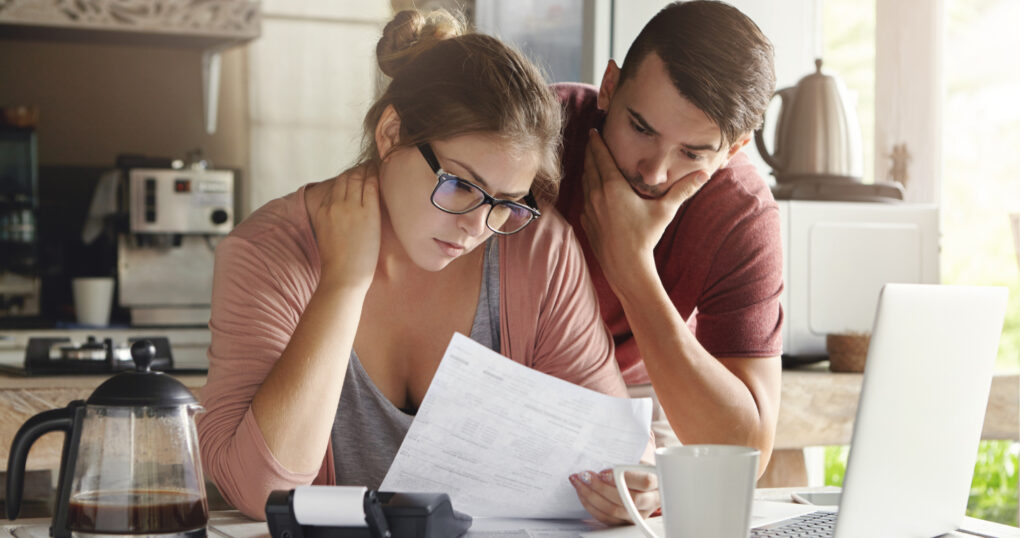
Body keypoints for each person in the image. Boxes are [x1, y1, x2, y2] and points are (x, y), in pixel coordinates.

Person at [197, 8, 655, 525]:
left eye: (505, 201)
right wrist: (344, 283)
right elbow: (262, 490)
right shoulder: (268, 252)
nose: (477, 226)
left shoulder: (537, 247)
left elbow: (613, 453)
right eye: (459, 184)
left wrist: (632, 486)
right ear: (392, 133)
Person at [560, 0, 784, 515]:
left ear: (733, 149)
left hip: (644, 384)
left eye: (693, 152)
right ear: (611, 86)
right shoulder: (537, 133)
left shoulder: (741, 214)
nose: (656, 172)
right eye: (641, 128)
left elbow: (745, 452)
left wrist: (631, 267)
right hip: (504, 367)